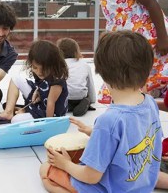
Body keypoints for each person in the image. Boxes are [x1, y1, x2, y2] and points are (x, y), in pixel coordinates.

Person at [40, 30, 162, 192]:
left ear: (103, 74)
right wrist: (94, 132)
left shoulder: (109, 120)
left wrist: (66, 164)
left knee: (46, 170)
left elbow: (91, 176)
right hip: (140, 185)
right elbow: (131, 138)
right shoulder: (150, 103)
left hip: (110, 188)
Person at [77, 0, 168, 105]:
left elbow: (151, 4)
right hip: (127, 41)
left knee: (140, 78)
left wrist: (163, 37)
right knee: (123, 79)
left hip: (148, 38)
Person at [0, 40, 69, 124]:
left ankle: (24, 111)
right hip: (41, 102)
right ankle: (8, 112)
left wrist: (47, 124)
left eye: (43, 69)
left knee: (15, 120)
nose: (39, 72)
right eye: (35, 68)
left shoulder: (57, 81)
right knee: (16, 79)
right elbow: (42, 86)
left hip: (49, 113)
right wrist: (37, 91)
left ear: (52, 65)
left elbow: (50, 103)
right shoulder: (43, 73)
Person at [56, 38, 96, 117]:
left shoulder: (58, 65)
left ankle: (67, 107)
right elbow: (90, 85)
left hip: (63, 98)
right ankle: (85, 102)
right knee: (86, 97)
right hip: (79, 97)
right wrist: (92, 99)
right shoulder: (85, 64)